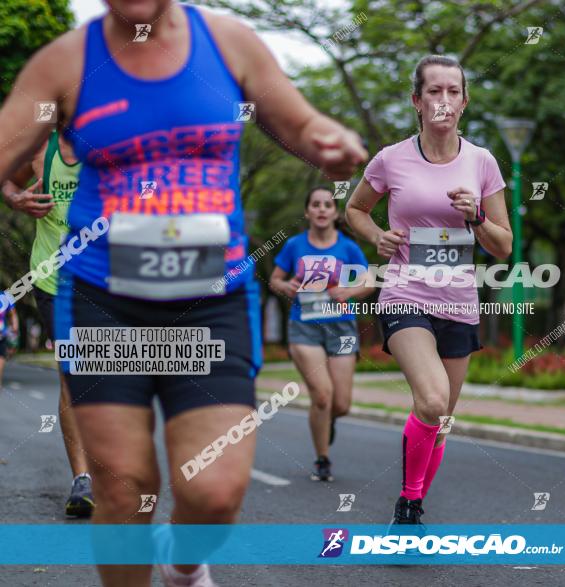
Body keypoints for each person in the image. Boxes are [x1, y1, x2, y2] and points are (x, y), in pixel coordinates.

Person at [0, 1, 366, 585]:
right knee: (124, 490)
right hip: (104, 300)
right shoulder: (65, 63)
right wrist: (14, 192)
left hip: (209, 300)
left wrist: (328, 139)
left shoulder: (228, 43)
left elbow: (296, 121)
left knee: (215, 492)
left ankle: (182, 566)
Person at [346, 55, 511, 529]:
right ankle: (408, 502)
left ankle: (412, 502)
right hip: (404, 293)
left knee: (439, 420)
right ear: (417, 102)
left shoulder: (482, 162)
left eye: (452, 91)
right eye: (433, 92)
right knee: (433, 400)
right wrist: (376, 236)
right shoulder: (391, 158)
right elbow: (356, 210)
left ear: (464, 101)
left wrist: (476, 217)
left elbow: (503, 247)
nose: (443, 100)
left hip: (458, 303)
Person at [2, 129, 95, 518]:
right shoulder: (42, 146)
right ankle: (83, 479)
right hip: (54, 279)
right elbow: (6, 178)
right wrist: (15, 198)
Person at [269, 186, 373, 482]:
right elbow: (276, 280)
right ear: (307, 212)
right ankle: (322, 458)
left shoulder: (348, 247)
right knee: (323, 395)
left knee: (341, 404)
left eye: (328, 204)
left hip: (341, 327)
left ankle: (326, 423)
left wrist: (349, 290)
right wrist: (286, 286)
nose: (322, 209)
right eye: (315, 204)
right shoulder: (293, 245)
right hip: (304, 326)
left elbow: (369, 282)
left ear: (335, 212)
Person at [0, 300, 19, 388]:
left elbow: (13, 314)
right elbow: (13, 314)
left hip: (2, 335)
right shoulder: (6, 296)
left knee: (2, 358)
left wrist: (14, 328)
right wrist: (15, 327)